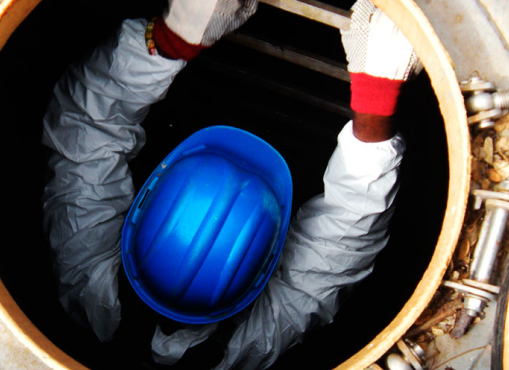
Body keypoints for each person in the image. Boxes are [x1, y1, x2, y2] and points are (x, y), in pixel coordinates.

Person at [41, 0, 421, 368]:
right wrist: (377, 93)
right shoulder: (246, 348)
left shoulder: (91, 286)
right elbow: (342, 244)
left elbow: (84, 135)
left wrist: (173, 40)